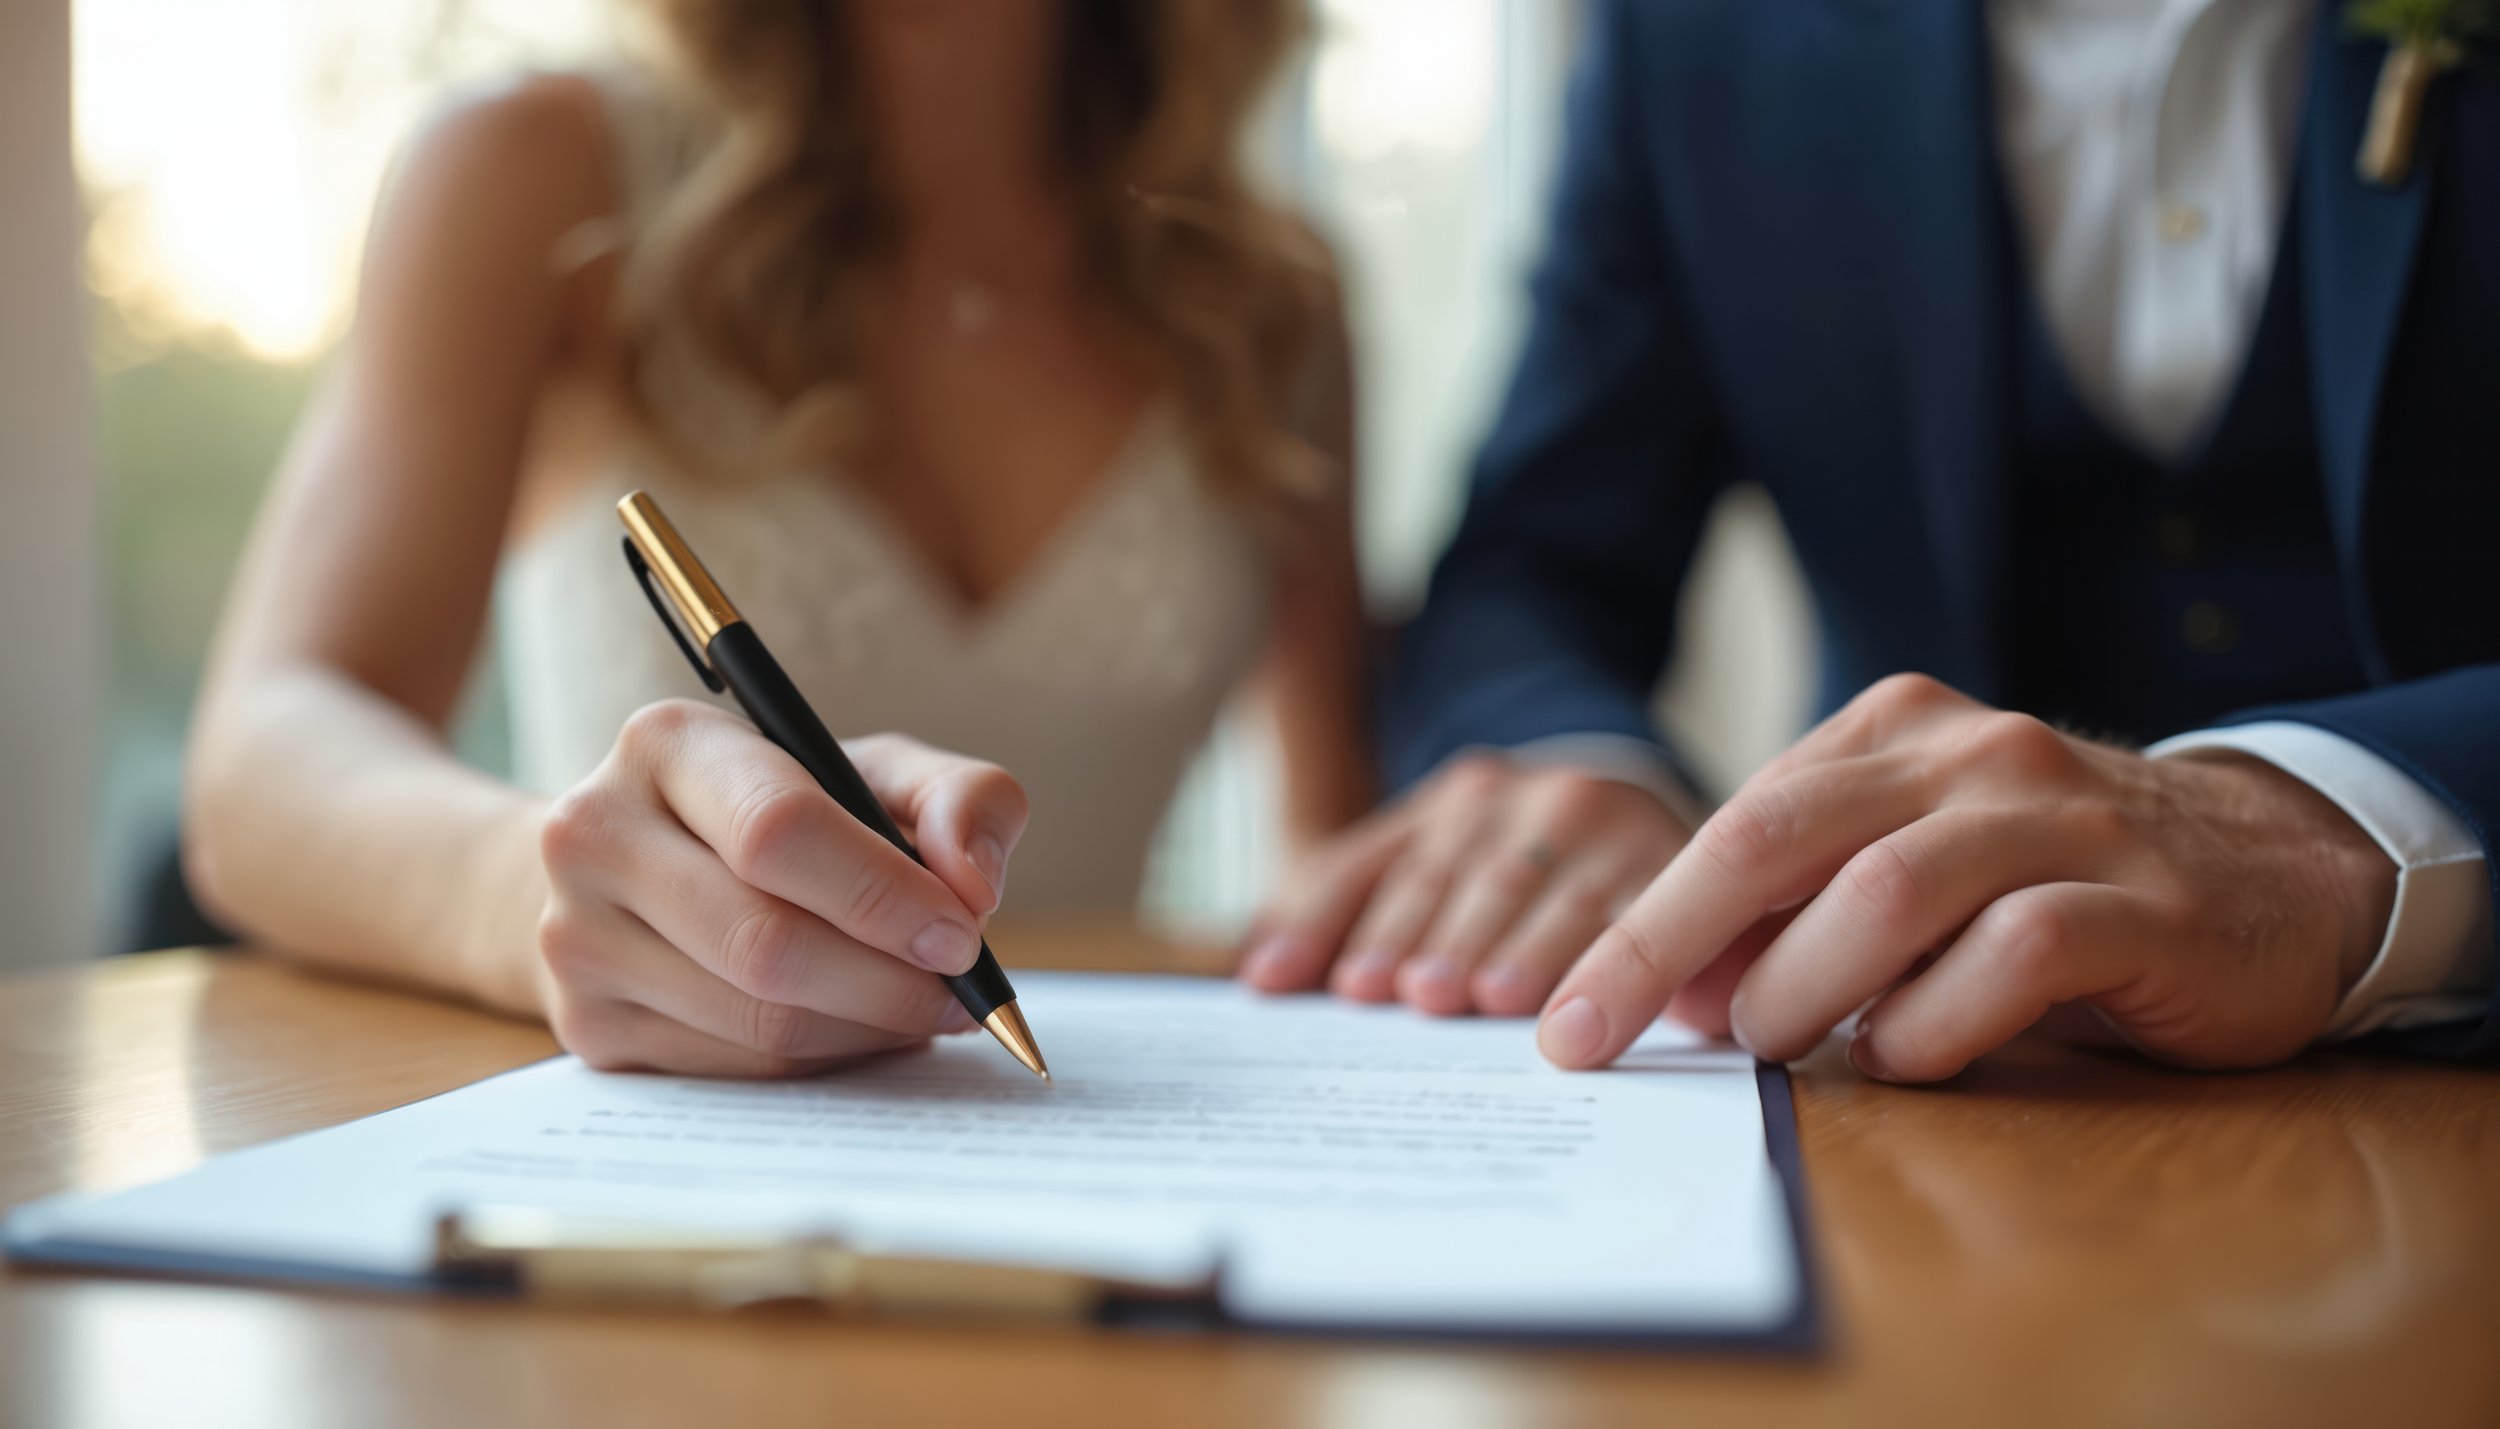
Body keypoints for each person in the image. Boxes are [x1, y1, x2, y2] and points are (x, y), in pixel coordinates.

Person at [1248, 0, 2497, 1078]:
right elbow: (1532, 570)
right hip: (1895, 1089)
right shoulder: (1692, 33)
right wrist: (1584, 774)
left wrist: (2348, 838)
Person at [183, 0, 1371, 1076]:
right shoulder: (538, 172)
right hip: (661, 1150)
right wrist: (544, 904)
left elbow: (1328, 840)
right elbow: (259, 765)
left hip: (1087, 1132)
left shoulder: (1274, 301)